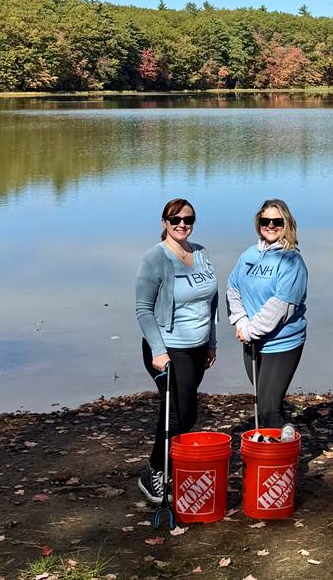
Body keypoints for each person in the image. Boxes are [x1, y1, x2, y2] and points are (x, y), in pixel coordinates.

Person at [134, 198, 218, 503]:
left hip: (197, 349)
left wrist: (211, 342)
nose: (182, 224)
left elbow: (212, 299)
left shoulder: (201, 252)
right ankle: (154, 472)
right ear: (164, 223)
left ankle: (167, 465)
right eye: (175, 219)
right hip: (167, 349)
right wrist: (158, 350)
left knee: (188, 414)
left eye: (188, 219)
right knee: (175, 415)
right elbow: (143, 309)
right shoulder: (154, 259)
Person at [227, 199, 308, 430]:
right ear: (258, 223)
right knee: (266, 403)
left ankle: (282, 453)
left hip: (282, 344)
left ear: (287, 224)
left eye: (277, 221)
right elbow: (233, 288)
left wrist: (251, 331)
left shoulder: (292, 260)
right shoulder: (248, 255)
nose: (270, 225)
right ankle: (275, 449)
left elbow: (281, 306)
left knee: (268, 408)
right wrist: (242, 322)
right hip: (251, 341)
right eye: (265, 220)